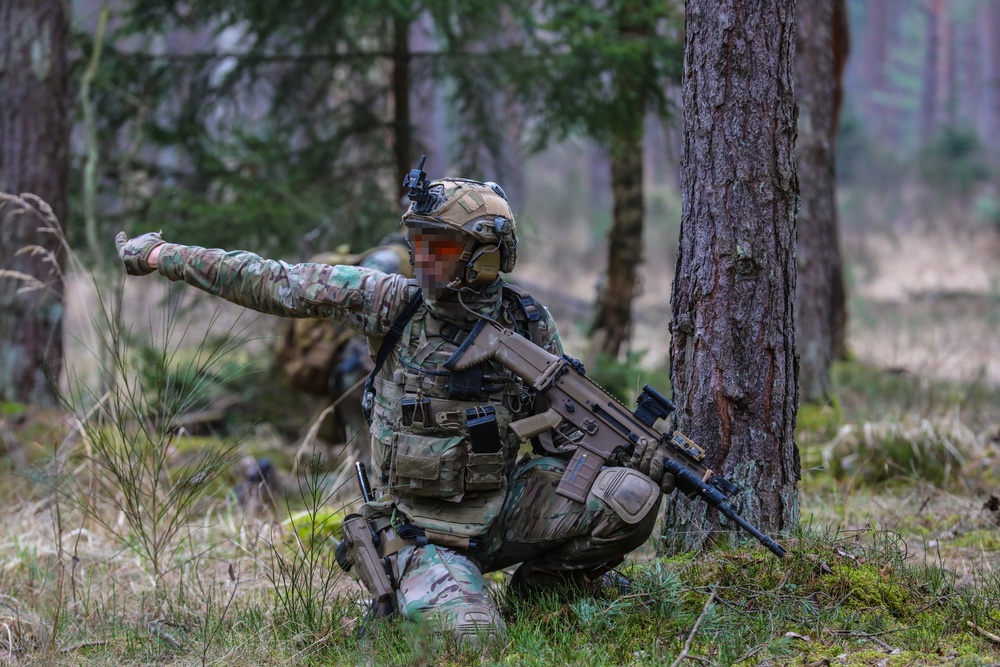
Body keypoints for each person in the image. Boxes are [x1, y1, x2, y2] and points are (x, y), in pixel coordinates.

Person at [115, 166, 676, 648]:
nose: (425, 261)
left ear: (486, 256)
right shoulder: (389, 304)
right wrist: (164, 255)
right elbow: (275, 281)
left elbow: (562, 430)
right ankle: (439, 593)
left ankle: (541, 594)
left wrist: (628, 455)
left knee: (630, 496)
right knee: (470, 642)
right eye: (421, 246)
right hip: (420, 530)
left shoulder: (527, 322)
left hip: (502, 509)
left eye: (443, 249)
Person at [273, 235, 412, 459]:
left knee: (371, 444)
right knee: (370, 446)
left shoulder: (395, 258)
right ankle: (365, 487)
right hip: (360, 368)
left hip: (359, 368)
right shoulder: (391, 260)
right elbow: (360, 302)